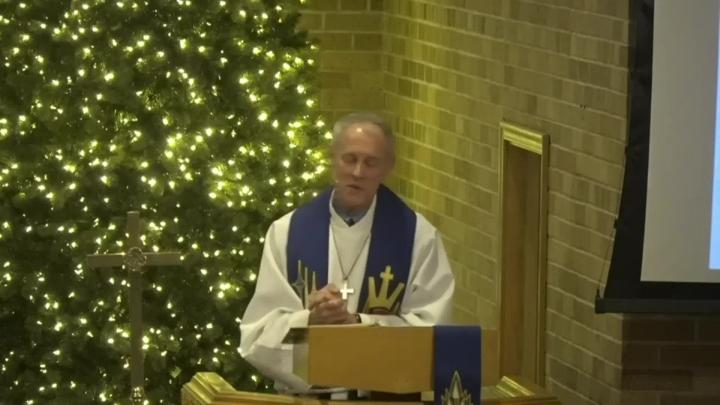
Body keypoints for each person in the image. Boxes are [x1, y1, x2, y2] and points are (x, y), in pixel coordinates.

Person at [239, 112, 455, 395]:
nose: (358, 172)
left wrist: (358, 324)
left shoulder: (418, 238)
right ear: (332, 158)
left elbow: (431, 336)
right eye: (350, 159)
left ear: (388, 167)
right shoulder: (287, 232)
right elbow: (257, 336)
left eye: (371, 162)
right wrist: (311, 322)